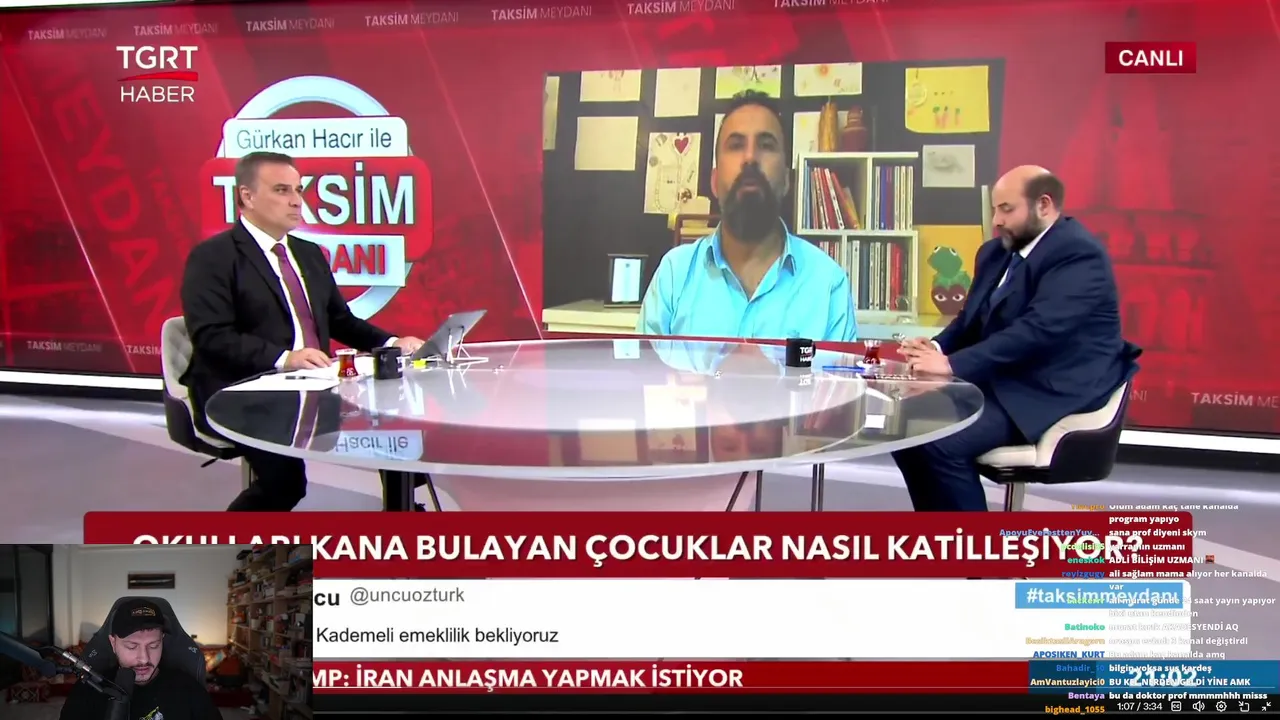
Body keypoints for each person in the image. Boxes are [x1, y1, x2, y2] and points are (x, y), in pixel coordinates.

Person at [181, 151, 425, 511]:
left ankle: (402, 513)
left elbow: (340, 320)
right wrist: (285, 359)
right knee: (285, 484)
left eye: (298, 190)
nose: (296, 201)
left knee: (396, 432)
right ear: (247, 196)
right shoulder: (213, 257)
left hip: (313, 385)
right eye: (282, 190)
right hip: (245, 390)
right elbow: (212, 336)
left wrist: (392, 343)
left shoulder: (308, 253)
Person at [894, 166, 1140, 511]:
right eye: (995, 209)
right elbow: (969, 321)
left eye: (1007, 209)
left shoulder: (1079, 255)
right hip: (1000, 381)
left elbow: (1037, 332)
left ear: (1044, 205)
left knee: (940, 443)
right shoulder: (995, 253)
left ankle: (975, 545)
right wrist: (934, 347)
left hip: (1048, 389)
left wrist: (950, 365)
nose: (997, 220)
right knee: (904, 429)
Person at [636, 90, 857, 342]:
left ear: (787, 180)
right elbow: (643, 367)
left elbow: (841, 371)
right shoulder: (674, 275)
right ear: (714, 181)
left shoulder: (829, 285)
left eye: (766, 145)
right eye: (736, 145)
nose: (750, 158)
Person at [59, 599, 222, 720]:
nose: (144, 658)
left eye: (153, 645)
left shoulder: (189, 690)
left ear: (162, 641)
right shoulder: (88, 690)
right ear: (113, 643)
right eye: (132, 646)